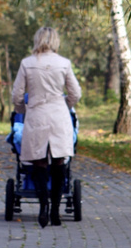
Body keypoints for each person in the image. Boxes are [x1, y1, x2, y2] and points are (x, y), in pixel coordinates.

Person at [12, 26, 81, 227]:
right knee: (59, 161)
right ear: (55, 41)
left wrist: (22, 110)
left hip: (37, 114)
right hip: (58, 116)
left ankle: (43, 207)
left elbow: (17, 95)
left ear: (37, 40)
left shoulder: (27, 63)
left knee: (39, 161)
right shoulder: (64, 63)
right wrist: (64, 105)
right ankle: (56, 211)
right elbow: (75, 93)